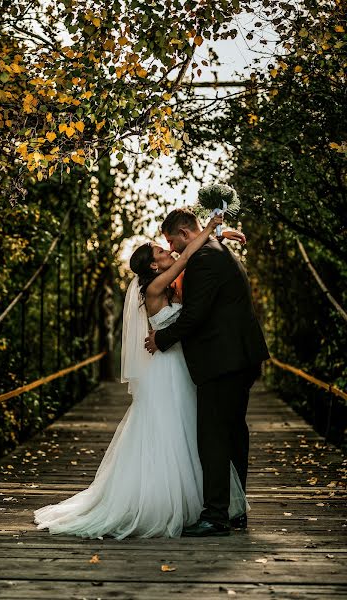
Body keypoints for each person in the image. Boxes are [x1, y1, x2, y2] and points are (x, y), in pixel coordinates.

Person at [33, 214, 248, 539]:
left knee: (194, 433)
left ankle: (208, 506)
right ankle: (175, 503)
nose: (167, 251)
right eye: (160, 251)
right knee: (176, 432)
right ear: (151, 266)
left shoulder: (169, 280)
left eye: (166, 246)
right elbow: (188, 254)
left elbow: (192, 262)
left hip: (182, 365)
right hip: (168, 369)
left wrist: (219, 235)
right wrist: (211, 230)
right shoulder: (158, 285)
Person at [145, 208, 270, 537]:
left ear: (185, 234)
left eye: (172, 242)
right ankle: (236, 509)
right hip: (240, 358)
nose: (172, 250)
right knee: (233, 433)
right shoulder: (218, 249)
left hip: (223, 361)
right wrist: (216, 233)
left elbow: (195, 315)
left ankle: (215, 516)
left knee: (212, 437)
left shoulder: (202, 260)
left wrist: (162, 338)